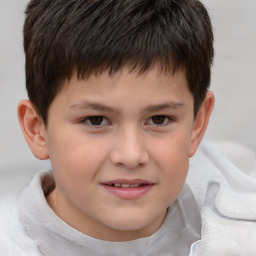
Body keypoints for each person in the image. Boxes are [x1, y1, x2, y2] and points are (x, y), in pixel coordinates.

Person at [0, 0, 255, 255]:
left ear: (196, 125)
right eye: (96, 120)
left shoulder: (242, 232)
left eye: (159, 119)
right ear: (37, 130)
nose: (131, 155)